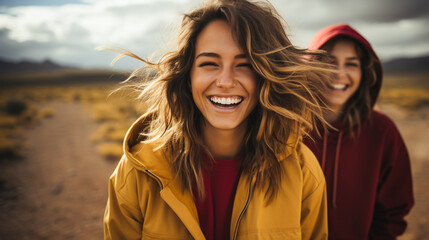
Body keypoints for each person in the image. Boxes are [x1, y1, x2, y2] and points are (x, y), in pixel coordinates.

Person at [103, 1, 333, 239]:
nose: (225, 81)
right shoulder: (138, 170)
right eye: (209, 64)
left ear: (267, 76)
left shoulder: (303, 171)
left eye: (245, 65)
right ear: (187, 75)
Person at [304, 23, 414, 239]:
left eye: (351, 64)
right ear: (311, 67)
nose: (339, 73)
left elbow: (393, 212)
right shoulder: (286, 127)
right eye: (329, 62)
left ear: (364, 73)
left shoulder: (382, 132)